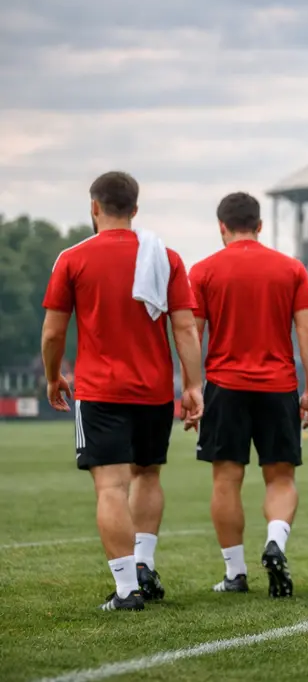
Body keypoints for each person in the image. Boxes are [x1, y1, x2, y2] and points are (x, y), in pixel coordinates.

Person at [41, 170, 204, 611]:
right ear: (135, 209)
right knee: (148, 474)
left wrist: (53, 375)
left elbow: (54, 332)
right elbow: (185, 328)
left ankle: (128, 589)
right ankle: (144, 564)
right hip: (153, 389)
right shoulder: (166, 257)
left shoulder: (72, 258)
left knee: (110, 487)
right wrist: (193, 385)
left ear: (94, 207)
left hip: (99, 391)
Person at [188, 192, 308, 598]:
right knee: (280, 477)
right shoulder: (290, 268)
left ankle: (235, 573)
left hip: (225, 388)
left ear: (221, 227)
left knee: (226, 479)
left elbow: (192, 334)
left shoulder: (204, 270)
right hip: (279, 386)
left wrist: (191, 388)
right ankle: (276, 544)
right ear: (260, 226)